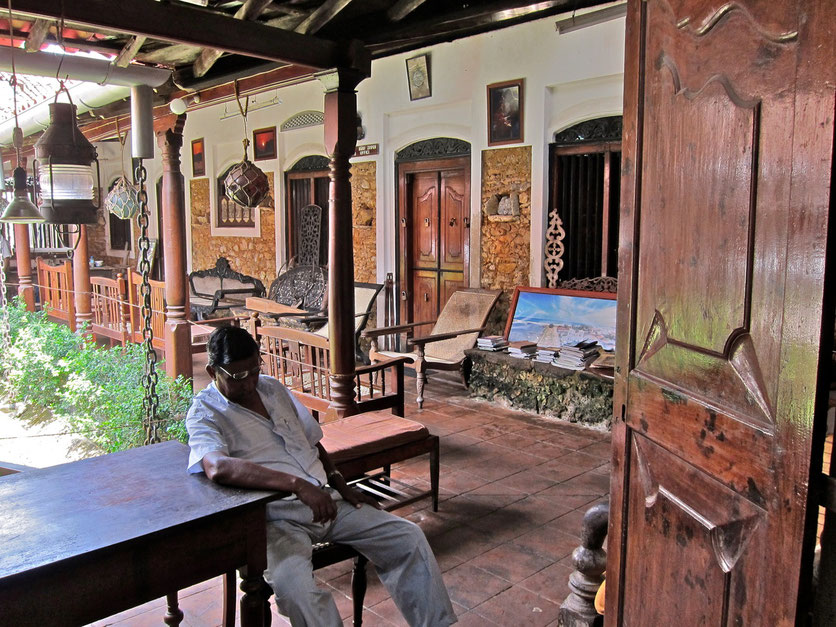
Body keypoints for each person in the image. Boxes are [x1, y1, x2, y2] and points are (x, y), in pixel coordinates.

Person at [186, 325, 457, 627]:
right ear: (213, 372)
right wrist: (297, 485)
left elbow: (312, 441)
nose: (249, 382)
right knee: (296, 591)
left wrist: (341, 483)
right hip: (277, 522)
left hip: (329, 502)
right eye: (237, 377)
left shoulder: (272, 388)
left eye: (254, 369)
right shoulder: (205, 413)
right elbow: (217, 467)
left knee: (408, 538)